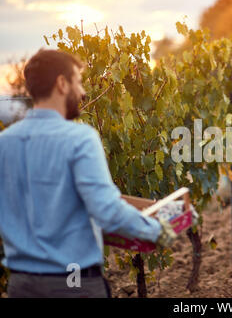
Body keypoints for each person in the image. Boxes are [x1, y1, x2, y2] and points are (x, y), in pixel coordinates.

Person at [0, 49, 176, 298]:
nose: (82, 92)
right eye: (78, 81)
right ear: (62, 84)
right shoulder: (79, 139)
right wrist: (156, 230)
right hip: (72, 282)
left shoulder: (4, 143)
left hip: (21, 286)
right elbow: (107, 211)